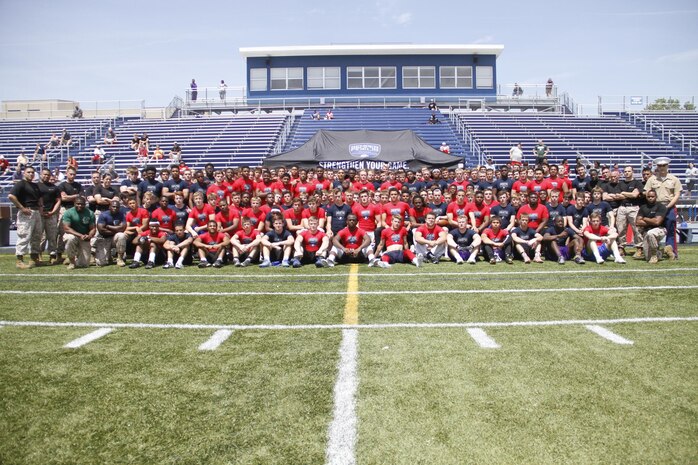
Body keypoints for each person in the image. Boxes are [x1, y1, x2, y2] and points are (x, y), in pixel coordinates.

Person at [9, 166, 43, 269]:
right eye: (28, 172)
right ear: (24, 173)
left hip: (36, 212)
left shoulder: (35, 185)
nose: (31, 174)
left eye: (32, 172)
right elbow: (11, 196)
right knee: (24, 236)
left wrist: (41, 207)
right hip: (26, 212)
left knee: (37, 236)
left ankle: (34, 258)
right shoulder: (21, 184)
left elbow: (39, 197)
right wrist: (22, 208)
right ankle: (20, 260)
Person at [62, 196, 96, 269]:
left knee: (84, 264)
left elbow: (93, 228)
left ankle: (75, 257)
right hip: (73, 235)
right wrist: (80, 235)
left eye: (82, 204)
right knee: (70, 238)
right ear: (74, 203)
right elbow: (66, 228)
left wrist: (89, 236)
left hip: (84, 238)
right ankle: (71, 262)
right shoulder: (68, 212)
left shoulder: (90, 213)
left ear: (85, 204)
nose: (80, 205)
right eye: (78, 204)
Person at [636, 189, 667, 264]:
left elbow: (657, 222)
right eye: (648, 196)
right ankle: (664, 250)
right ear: (646, 197)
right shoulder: (643, 207)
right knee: (647, 258)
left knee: (651, 233)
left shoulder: (661, 207)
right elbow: (637, 222)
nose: (650, 198)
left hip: (660, 229)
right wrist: (651, 221)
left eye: (652, 196)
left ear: (656, 197)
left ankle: (654, 255)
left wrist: (644, 218)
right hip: (646, 230)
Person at [37, 168, 61, 263]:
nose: (46, 176)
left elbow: (58, 201)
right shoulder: (36, 186)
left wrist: (53, 211)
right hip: (40, 214)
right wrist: (41, 211)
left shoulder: (54, 188)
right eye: (44, 174)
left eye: (48, 174)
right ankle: (38, 255)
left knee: (52, 236)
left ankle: (52, 255)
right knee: (40, 236)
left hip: (51, 214)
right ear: (41, 175)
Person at [95, 199, 128, 267]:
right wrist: (116, 229)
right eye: (113, 206)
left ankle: (120, 259)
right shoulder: (103, 215)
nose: (115, 208)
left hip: (115, 238)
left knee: (121, 235)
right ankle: (109, 257)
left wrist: (108, 226)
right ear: (109, 207)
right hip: (104, 239)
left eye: (117, 207)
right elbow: (101, 230)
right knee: (100, 263)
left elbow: (123, 228)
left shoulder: (121, 215)